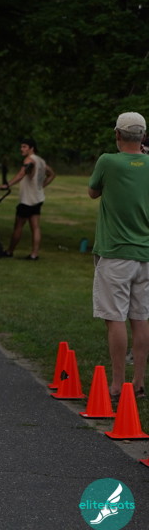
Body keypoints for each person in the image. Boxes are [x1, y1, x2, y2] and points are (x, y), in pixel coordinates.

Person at [88, 112, 149, 399]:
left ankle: (117, 384)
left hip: (115, 253)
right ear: (143, 136)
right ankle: (138, 382)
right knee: (141, 317)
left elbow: (92, 192)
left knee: (115, 318)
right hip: (145, 252)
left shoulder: (107, 161)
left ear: (117, 135)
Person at [3, 138, 55, 261]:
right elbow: (52, 174)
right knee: (35, 227)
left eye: (24, 147)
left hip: (27, 200)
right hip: (37, 198)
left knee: (18, 226)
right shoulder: (41, 161)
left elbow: (21, 174)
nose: (21, 149)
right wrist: (41, 185)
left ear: (31, 148)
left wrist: (7, 185)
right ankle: (34, 254)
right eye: (21, 147)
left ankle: (10, 251)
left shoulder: (29, 160)